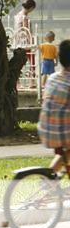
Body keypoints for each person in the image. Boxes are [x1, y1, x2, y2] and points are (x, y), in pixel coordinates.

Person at [38, 40, 70, 175]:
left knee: (65, 155)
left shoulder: (53, 78)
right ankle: (48, 182)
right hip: (61, 133)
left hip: (46, 129)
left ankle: (49, 180)